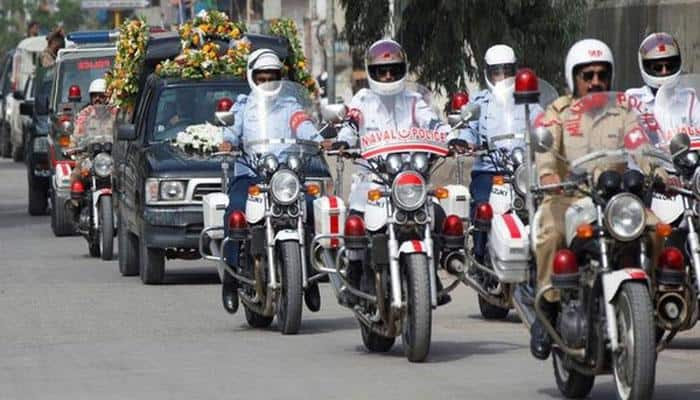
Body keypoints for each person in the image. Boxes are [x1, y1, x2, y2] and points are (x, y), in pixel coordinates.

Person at [530, 38, 669, 360]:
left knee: (657, 230)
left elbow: (640, 145)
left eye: (601, 74)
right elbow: (545, 148)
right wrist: (549, 175)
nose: (595, 81)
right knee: (550, 234)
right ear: (573, 77)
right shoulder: (559, 111)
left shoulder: (623, 111)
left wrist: (659, 173)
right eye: (587, 75)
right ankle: (547, 310)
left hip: (615, 196)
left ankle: (658, 300)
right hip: (569, 195)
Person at [334, 39, 452, 305]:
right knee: (356, 220)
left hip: (407, 181)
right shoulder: (362, 99)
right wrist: (343, 140)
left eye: (393, 69)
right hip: (372, 181)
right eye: (381, 71)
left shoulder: (413, 100)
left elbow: (433, 122)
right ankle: (354, 276)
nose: (388, 75)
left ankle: (430, 274)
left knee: (437, 215)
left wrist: (451, 138)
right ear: (372, 72)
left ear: (403, 70)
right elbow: (350, 124)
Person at [219, 48, 326, 311]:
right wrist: (226, 142)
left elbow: (304, 127)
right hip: (251, 175)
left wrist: (321, 141)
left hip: (285, 178)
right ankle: (231, 278)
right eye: (262, 78)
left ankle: (311, 276)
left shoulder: (290, 106)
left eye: (273, 77)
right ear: (252, 78)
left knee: (313, 208)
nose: (268, 83)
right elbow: (230, 132)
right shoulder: (243, 106)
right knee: (235, 212)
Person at [454, 44, 543, 263]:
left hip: (521, 171)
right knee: (483, 205)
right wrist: (463, 141)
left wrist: (547, 136)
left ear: (515, 71)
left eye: (506, 71)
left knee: (542, 206)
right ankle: (480, 255)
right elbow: (468, 127)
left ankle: (539, 260)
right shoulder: (480, 101)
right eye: (496, 72)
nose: (502, 77)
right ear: (487, 73)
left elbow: (543, 123)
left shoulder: (527, 100)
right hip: (489, 170)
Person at [626, 32, 699, 146]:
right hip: (647, 161)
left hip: (684, 160)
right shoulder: (632, 99)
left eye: (669, 66)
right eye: (657, 68)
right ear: (644, 66)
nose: (664, 72)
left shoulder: (689, 98)